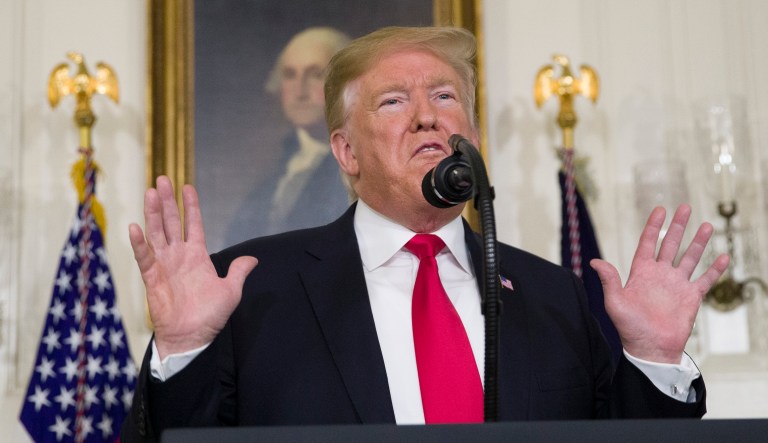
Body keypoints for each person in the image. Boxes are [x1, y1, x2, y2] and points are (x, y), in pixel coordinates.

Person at [122, 26, 729, 440]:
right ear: (346, 151)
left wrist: (653, 361)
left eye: (444, 96)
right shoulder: (254, 291)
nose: (426, 116)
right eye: (392, 102)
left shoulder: (553, 297)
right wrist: (184, 350)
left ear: (471, 134)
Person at [225, 27, 352, 246]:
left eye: (316, 74)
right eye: (290, 75)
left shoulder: (360, 169)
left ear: (345, 84)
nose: (300, 91)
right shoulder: (272, 176)